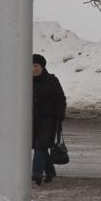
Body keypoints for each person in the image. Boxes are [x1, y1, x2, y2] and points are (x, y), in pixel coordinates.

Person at [31, 53, 66, 185]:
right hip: (32, 120)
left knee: (40, 146)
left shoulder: (51, 80)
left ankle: (36, 174)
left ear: (42, 66)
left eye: (36, 66)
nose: (33, 69)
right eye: (31, 66)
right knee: (40, 146)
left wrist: (60, 115)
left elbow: (61, 99)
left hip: (48, 120)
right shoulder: (25, 81)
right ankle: (50, 171)